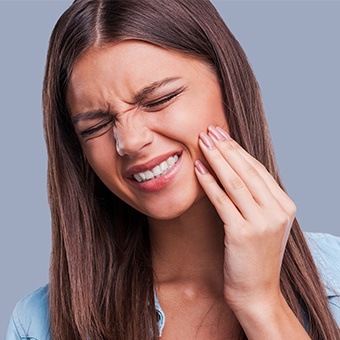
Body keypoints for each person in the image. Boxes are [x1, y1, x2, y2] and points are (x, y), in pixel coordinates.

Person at [6, 0, 340, 339]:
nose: (130, 141)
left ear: (228, 84)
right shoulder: (37, 324)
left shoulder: (336, 274)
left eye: (159, 100)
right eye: (96, 126)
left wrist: (261, 303)